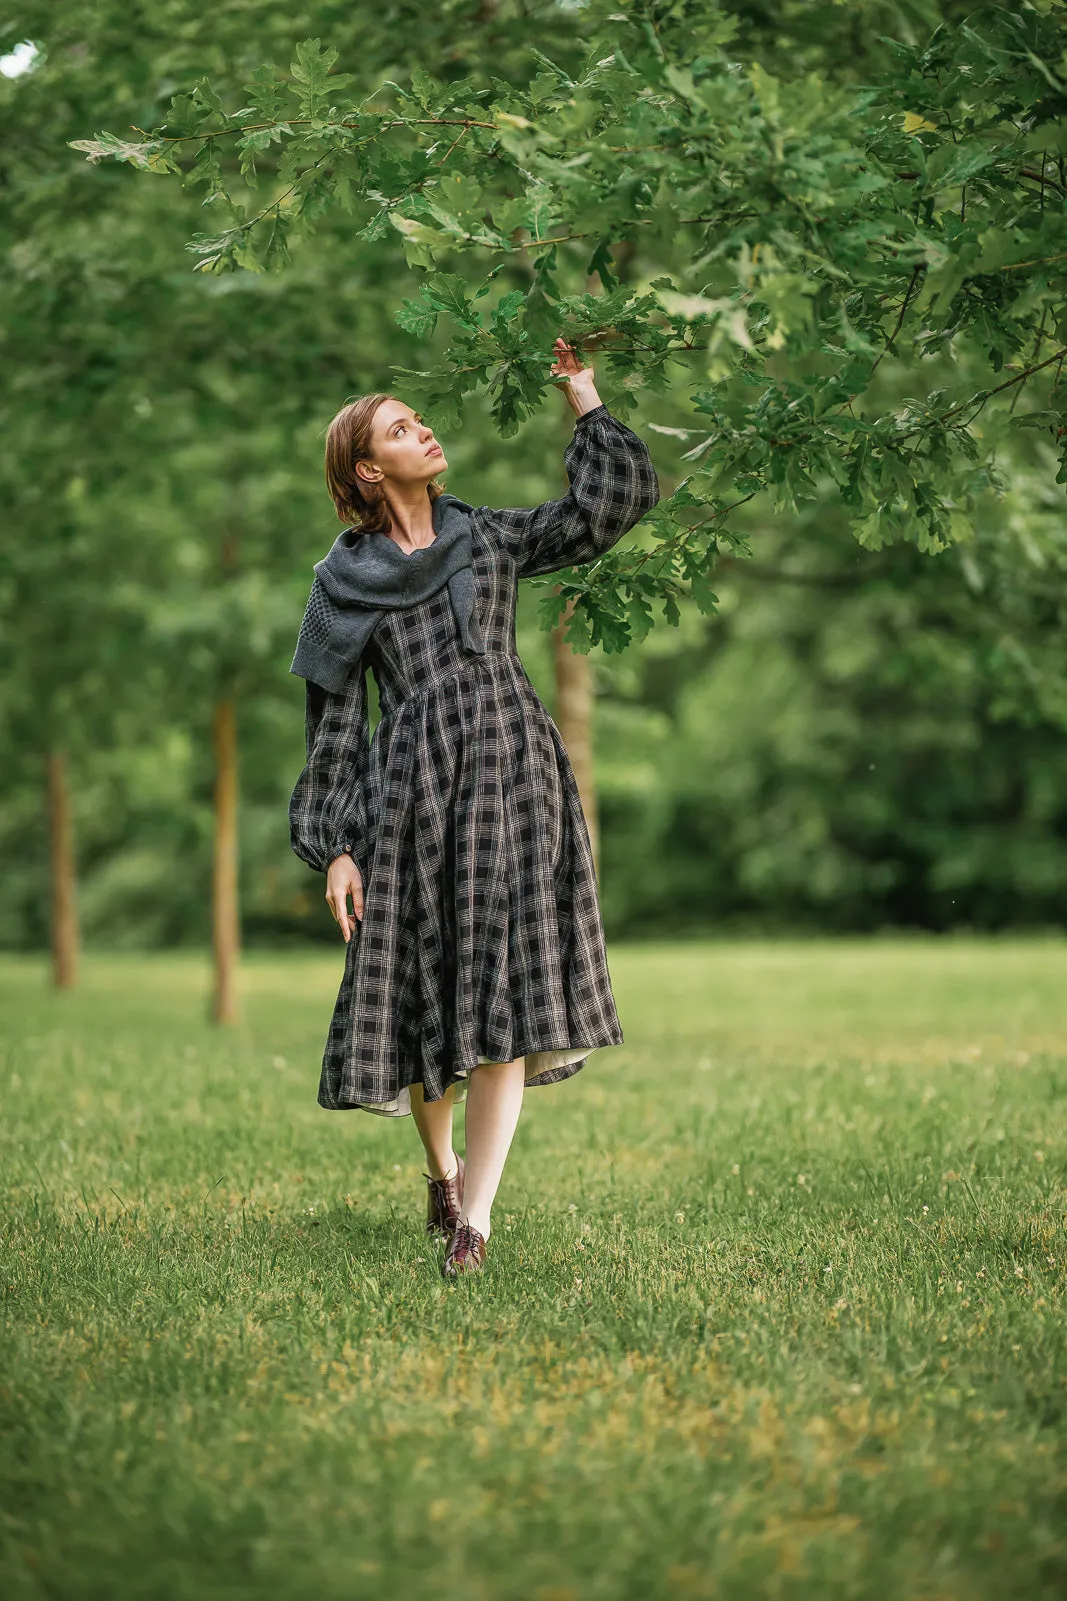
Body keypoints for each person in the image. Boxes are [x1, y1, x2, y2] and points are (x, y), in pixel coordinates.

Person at [288, 336, 659, 1277]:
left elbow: (604, 510)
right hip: (409, 796)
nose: (427, 432)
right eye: (403, 430)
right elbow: (335, 727)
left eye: (421, 421)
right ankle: (440, 1168)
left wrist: (582, 397)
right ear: (369, 470)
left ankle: (476, 1222)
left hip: (515, 772)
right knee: (427, 994)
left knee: (502, 982)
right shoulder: (339, 588)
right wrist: (336, 846)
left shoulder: (485, 535)